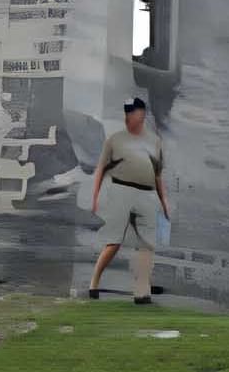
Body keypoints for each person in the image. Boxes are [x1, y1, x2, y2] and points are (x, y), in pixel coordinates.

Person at [86, 97, 168, 305]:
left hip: (146, 194)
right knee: (113, 241)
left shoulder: (154, 141)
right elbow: (100, 171)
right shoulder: (115, 140)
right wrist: (94, 197)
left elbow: (158, 175)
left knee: (146, 244)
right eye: (127, 112)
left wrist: (163, 202)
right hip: (121, 191)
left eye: (133, 111)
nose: (129, 115)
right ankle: (94, 282)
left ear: (141, 114)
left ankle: (141, 291)